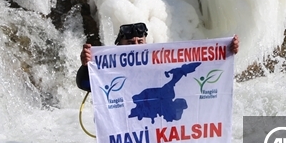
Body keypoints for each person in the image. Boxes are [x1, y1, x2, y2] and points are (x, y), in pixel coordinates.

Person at [75, 23, 239, 92]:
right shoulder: (109, 70)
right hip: (123, 142)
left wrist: (226, 52)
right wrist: (86, 66)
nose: (136, 45)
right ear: (119, 45)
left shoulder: (160, 66)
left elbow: (197, 72)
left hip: (156, 140)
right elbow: (84, 84)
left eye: (140, 41)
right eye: (130, 42)